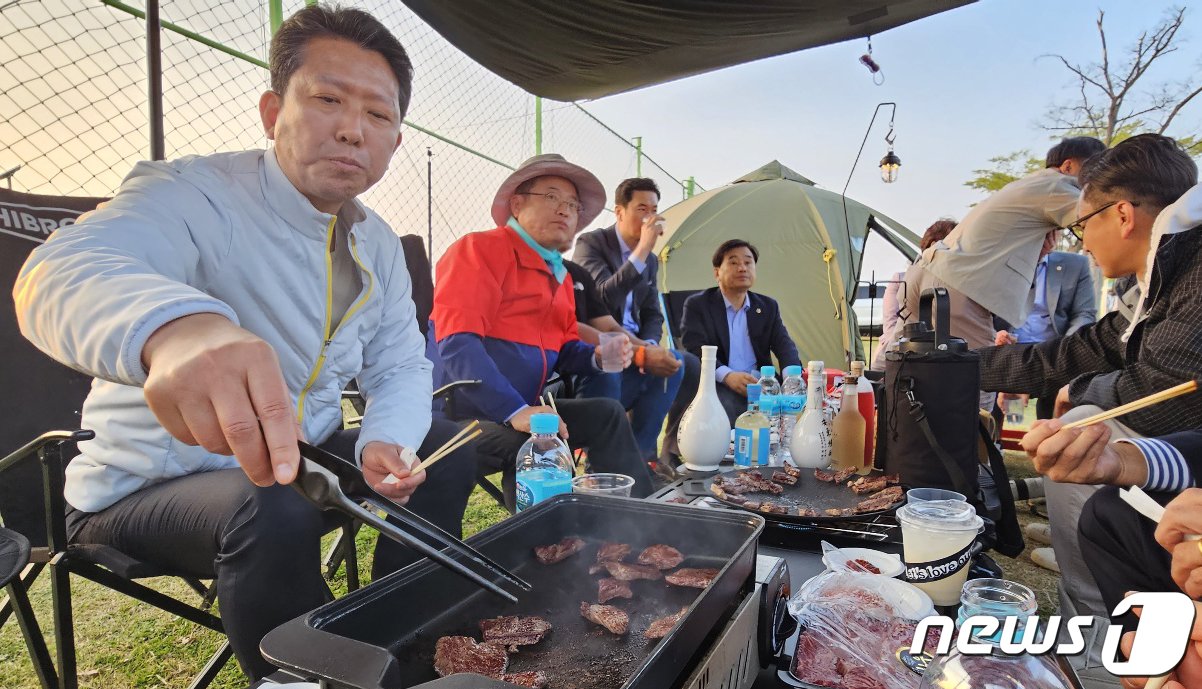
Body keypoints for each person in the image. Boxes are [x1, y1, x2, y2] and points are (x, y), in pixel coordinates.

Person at [12, 6, 477, 680]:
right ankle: (307, 675)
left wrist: (386, 439)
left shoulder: (376, 240)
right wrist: (175, 327)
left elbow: (402, 361)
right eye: (326, 99)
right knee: (275, 502)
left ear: (396, 141)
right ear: (271, 110)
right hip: (142, 486)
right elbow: (59, 270)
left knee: (442, 451)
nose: (352, 128)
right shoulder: (195, 192)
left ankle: (401, 635)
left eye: (378, 115)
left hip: (296, 460)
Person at [977, 135, 1200, 682]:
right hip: (1180, 459)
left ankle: (1097, 644)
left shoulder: (1194, 272)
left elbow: (1173, 389)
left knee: (1079, 428)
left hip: (1187, 460)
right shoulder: (1158, 278)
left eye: (1084, 224)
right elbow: (1073, 353)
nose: (1083, 241)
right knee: (1101, 494)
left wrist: (1083, 397)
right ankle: (1114, 640)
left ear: (1121, 214)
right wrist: (963, 364)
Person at [426, 153, 654, 504]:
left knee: (607, 413)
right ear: (517, 204)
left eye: (572, 204)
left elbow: (562, 349)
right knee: (538, 445)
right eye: (551, 197)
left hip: (523, 410)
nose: (564, 210)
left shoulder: (557, 275)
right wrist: (516, 412)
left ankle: (637, 514)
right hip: (458, 413)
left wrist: (594, 357)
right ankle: (541, 543)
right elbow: (458, 346)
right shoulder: (479, 250)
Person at [901, 137, 1106, 401]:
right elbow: (1102, 219)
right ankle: (973, 442)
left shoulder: (1027, 186)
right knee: (979, 381)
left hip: (925, 272)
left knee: (903, 368)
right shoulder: (1059, 185)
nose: (1095, 183)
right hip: (957, 285)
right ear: (1068, 166)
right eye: (1092, 173)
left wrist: (1039, 251)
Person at [571, 178, 699, 469]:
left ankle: (647, 457)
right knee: (615, 362)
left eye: (654, 209)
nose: (650, 217)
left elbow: (653, 313)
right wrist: (642, 250)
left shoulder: (650, 261)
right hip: (600, 347)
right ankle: (603, 463)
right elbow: (601, 300)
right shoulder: (592, 244)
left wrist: (651, 346)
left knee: (682, 363)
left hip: (637, 347)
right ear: (619, 212)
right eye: (642, 208)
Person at [679, 239, 801, 425]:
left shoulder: (767, 306)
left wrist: (791, 378)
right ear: (717, 272)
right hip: (718, 382)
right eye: (733, 262)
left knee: (800, 407)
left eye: (748, 262)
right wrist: (727, 376)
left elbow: (785, 346)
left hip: (761, 383)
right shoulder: (698, 305)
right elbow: (695, 348)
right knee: (725, 405)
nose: (742, 268)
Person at [994, 232, 1097, 426]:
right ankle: (1004, 436)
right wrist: (995, 334)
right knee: (1008, 409)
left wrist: (1066, 347)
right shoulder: (999, 265)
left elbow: (1085, 314)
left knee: (1052, 406)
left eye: (1050, 234)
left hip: (1054, 349)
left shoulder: (1076, 265)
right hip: (1011, 348)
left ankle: (1049, 433)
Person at [871, 218, 956, 371]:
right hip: (902, 352)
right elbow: (891, 323)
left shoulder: (959, 281)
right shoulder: (903, 278)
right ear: (933, 245)